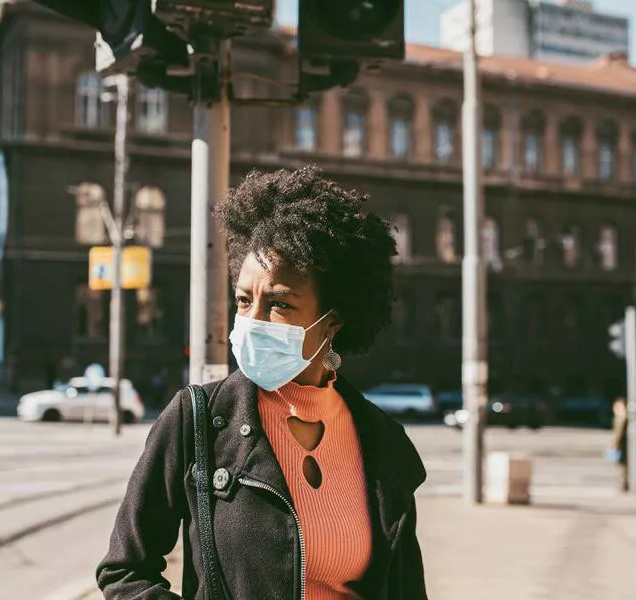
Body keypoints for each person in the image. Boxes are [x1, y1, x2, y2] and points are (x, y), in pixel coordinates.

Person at [96, 166, 428, 599]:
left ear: (333, 321)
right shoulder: (196, 419)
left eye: (279, 304)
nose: (251, 322)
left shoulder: (383, 442)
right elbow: (125, 571)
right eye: (243, 300)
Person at [611, 397, 629, 492]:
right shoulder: (620, 418)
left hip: (623, 445)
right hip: (623, 445)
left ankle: (625, 484)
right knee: (623, 465)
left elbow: (618, 434)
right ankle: (624, 483)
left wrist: (615, 444)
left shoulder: (622, 419)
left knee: (623, 465)